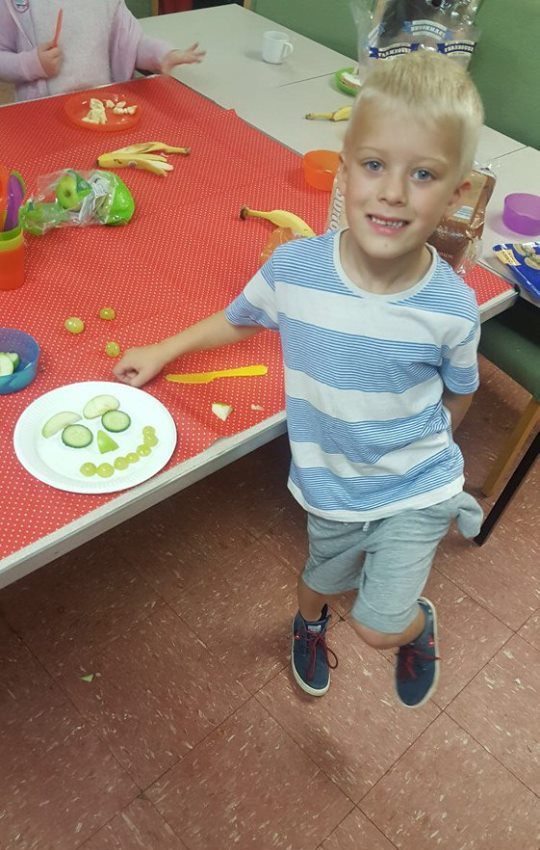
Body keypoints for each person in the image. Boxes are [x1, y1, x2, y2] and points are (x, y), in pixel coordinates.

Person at [113, 50, 485, 709]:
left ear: (457, 192)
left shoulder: (452, 308)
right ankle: (308, 626)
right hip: (328, 486)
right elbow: (240, 318)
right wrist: (164, 349)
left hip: (417, 485)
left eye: (423, 173)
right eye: (374, 164)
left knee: (374, 625)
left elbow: (461, 390)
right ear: (344, 168)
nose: (393, 192)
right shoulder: (295, 269)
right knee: (319, 582)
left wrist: (416, 453)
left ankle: (413, 624)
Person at [0, 0, 204, 102]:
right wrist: (32, 64)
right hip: (42, 117)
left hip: (101, 108)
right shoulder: (15, 5)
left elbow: (131, 43)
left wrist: (163, 54)